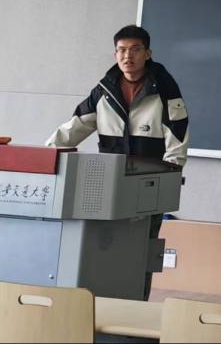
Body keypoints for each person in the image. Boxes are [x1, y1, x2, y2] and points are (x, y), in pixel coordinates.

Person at [46, 23, 188, 298]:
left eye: (135, 49)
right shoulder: (105, 90)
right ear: (115, 54)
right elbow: (75, 127)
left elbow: (177, 142)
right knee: (105, 248)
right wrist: (45, 154)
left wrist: (168, 181)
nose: (127, 56)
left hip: (148, 188)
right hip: (109, 187)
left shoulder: (165, 90)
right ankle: (105, 304)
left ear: (148, 53)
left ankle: (137, 305)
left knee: (142, 253)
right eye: (121, 50)